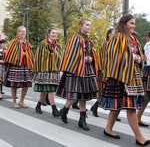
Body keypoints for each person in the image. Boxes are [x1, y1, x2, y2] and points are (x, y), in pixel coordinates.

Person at [99, 14, 150, 146]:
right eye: (131, 23)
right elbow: (114, 56)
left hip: (132, 75)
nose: (134, 26)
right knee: (130, 106)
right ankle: (139, 137)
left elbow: (137, 54)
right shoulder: (118, 37)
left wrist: (138, 59)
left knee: (118, 105)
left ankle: (108, 128)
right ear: (124, 23)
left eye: (134, 23)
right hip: (121, 77)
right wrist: (131, 58)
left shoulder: (133, 38)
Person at [56, 18, 99, 131]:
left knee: (83, 95)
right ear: (80, 26)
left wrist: (90, 58)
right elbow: (71, 54)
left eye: (90, 25)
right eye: (87, 25)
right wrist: (84, 59)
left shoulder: (88, 39)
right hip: (77, 68)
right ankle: (65, 110)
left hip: (86, 68)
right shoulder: (76, 37)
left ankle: (82, 119)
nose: (89, 27)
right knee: (76, 94)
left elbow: (89, 52)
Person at [34, 27, 62, 117]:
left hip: (54, 70)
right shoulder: (42, 43)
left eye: (56, 33)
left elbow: (60, 57)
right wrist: (51, 53)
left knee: (46, 90)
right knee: (49, 89)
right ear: (48, 34)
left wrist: (55, 53)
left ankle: (38, 106)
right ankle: (54, 109)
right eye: (53, 33)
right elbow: (40, 56)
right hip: (45, 69)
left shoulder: (58, 45)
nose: (54, 35)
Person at [4, 26, 34, 108]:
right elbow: (10, 54)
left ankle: (21, 101)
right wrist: (21, 54)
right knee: (14, 84)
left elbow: (30, 54)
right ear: (18, 32)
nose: (23, 33)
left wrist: (27, 56)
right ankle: (14, 101)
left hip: (25, 66)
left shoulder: (27, 43)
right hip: (16, 66)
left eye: (24, 31)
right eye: (21, 31)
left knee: (26, 84)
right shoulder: (14, 42)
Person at [137, 38, 150, 127]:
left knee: (147, 97)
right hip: (148, 71)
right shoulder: (148, 45)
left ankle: (138, 117)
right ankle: (138, 117)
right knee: (146, 96)